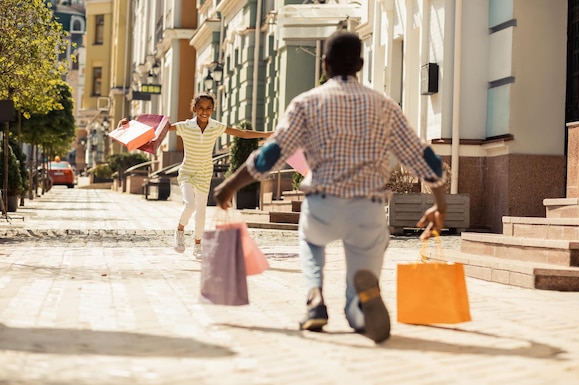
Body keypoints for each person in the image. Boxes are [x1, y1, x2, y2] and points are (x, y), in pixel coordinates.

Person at [213, 31, 447, 343]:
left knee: (310, 242)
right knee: (364, 262)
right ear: (361, 64)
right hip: (369, 207)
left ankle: (315, 299)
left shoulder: (306, 103)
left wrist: (229, 186)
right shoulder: (384, 105)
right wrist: (440, 206)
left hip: (322, 204)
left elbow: (271, 154)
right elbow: (424, 158)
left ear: (324, 65)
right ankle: (360, 306)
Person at [118, 93, 272, 259]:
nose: (204, 112)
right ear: (194, 109)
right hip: (187, 172)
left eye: (208, 108)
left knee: (201, 212)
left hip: (205, 173)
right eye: (200, 108)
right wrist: (130, 123)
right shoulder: (186, 126)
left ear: (212, 110)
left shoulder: (216, 126)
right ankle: (179, 231)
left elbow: (242, 133)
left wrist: (268, 134)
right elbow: (157, 127)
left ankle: (198, 245)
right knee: (189, 205)